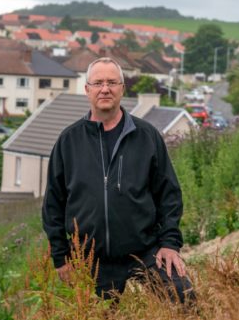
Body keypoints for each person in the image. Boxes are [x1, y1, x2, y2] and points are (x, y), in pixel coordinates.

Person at [42, 57, 194, 303]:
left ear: (122, 89)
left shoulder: (146, 136)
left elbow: (169, 195)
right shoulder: (68, 142)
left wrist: (169, 244)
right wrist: (61, 258)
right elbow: (53, 205)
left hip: (146, 251)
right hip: (92, 260)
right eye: (98, 83)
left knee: (186, 302)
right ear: (87, 89)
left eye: (112, 82)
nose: (105, 89)